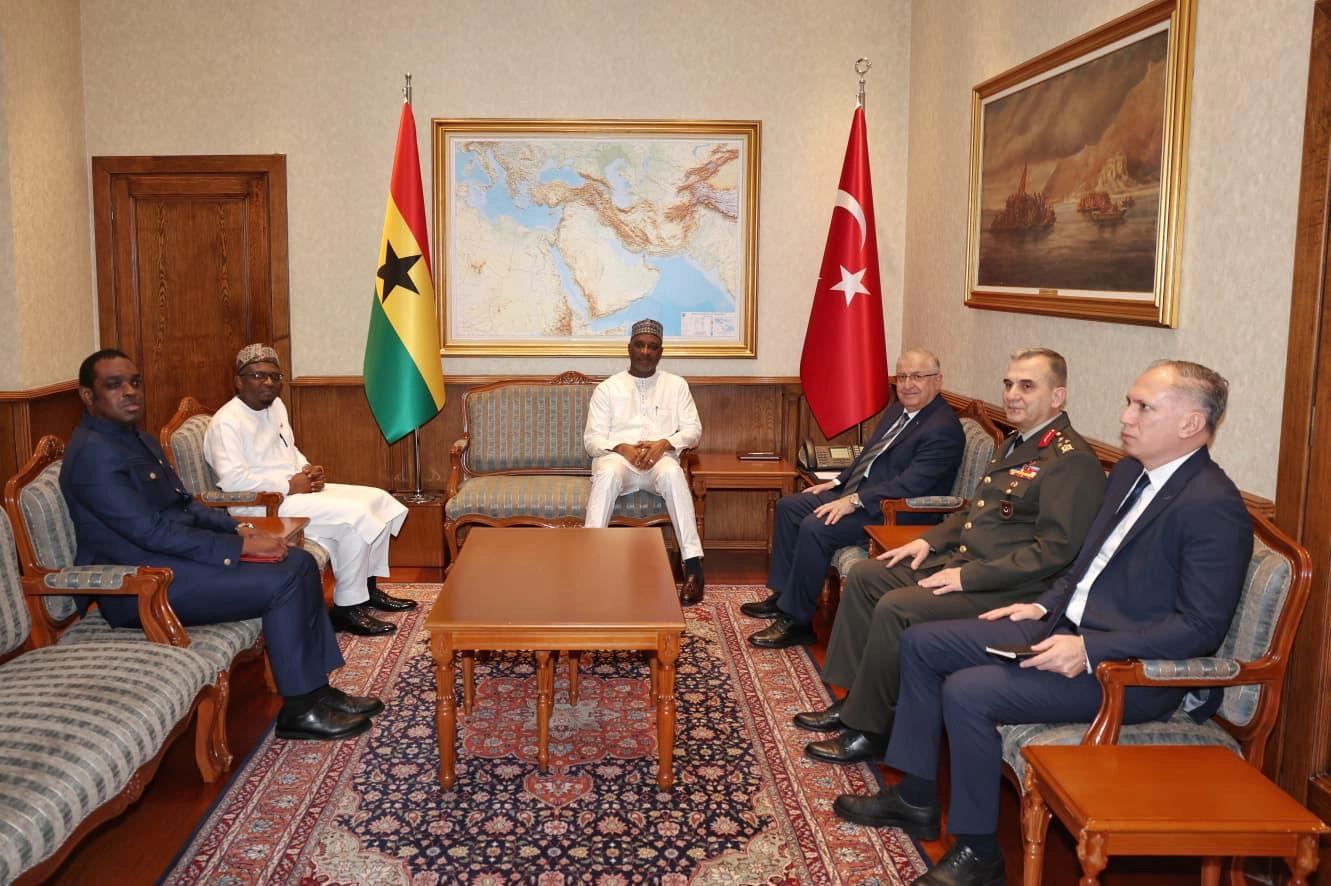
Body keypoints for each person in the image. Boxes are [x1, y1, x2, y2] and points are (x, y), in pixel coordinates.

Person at [833, 360, 1251, 886]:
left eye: (1144, 407)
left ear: (1191, 423)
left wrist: (1091, 651)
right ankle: (916, 798)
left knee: (968, 692)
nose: (1126, 417)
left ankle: (980, 853)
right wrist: (1041, 606)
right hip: (1059, 627)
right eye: (1129, 402)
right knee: (921, 643)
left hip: (1125, 670)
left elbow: (1199, 628)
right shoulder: (1128, 474)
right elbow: (1084, 565)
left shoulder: (1212, 505)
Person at [793, 347, 1106, 765]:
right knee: (868, 576)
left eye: (1027, 386)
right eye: (1009, 383)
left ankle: (872, 730)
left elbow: (1054, 553)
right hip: (964, 563)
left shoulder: (1070, 461)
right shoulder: (1017, 443)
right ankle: (854, 703)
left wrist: (965, 578)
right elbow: (976, 511)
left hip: (1005, 589)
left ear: (1057, 396)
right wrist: (929, 541)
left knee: (897, 607)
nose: (1012, 394)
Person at [60, 349, 382, 741]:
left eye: (135, 382)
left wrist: (241, 529)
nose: (129, 392)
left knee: (297, 563)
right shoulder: (93, 454)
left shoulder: (136, 439)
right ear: (87, 395)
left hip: (176, 562)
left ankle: (316, 690)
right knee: (283, 580)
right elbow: (151, 533)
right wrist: (237, 549)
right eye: (114, 385)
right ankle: (300, 710)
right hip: (142, 584)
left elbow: (185, 505)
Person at [745, 347, 965, 648]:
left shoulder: (943, 429)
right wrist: (836, 482)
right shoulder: (899, 411)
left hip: (894, 514)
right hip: (862, 495)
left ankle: (797, 622)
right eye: (902, 377)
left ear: (937, 381)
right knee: (789, 507)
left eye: (917, 377)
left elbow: (910, 485)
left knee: (816, 526)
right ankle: (784, 596)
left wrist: (853, 500)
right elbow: (868, 455)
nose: (907, 385)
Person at [204, 344, 416, 637]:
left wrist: (307, 470)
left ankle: (368, 590)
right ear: (239, 381)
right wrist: (289, 486)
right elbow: (232, 482)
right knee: (354, 517)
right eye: (258, 375)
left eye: (274, 376)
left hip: (294, 493)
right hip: (260, 506)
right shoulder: (226, 423)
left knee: (378, 499)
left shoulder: (276, 406)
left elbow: (289, 449)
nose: (268, 382)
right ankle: (347, 608)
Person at [583, 319, 706, 605]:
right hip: (618, 461)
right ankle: (590, 563)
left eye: (652, 347)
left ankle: (694, 568)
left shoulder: (676, 385)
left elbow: (693, 431)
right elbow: (592, 440)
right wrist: (621, 447)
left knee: (674, 475)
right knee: (607, 474)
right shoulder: (608, 388)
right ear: (629, 348)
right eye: (640, 345)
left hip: (660, 460)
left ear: (660, 352)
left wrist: (665, 443)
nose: (646, 352)